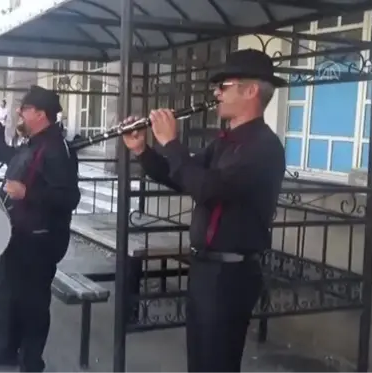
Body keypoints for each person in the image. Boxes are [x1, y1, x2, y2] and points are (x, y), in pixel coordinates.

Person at [122, 49, 286, 373]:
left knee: (217, 363)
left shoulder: (263, 147)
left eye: (223, 86)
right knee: (200, 361)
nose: (215, 93)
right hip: (206, 269)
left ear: (251, 90)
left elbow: (210, 189)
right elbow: (184, 176)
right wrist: (143, 150)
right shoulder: (225, 142)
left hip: (231, 275)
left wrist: (172, 143)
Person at [0, 85, 80, 373]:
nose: (19, 111)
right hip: (17, 232)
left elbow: (70, 198)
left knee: (32, 302)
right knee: (8, 295)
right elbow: (16, 160)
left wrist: (27, 194)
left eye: (25, 108)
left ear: (41, 114)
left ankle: (32, 362)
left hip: (40, 239)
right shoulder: (33, 142)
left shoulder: (58, 149)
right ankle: (3, 352)